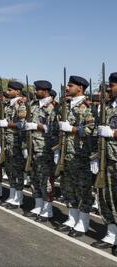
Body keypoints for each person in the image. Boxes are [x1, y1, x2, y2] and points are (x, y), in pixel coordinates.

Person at [54, 75, 95, 237]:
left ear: (80, 88)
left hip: (81, 154)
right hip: (65, 153)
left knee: (83, 189)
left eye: (69, 85)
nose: (66, 88)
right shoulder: (65, 105)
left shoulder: (88, 107)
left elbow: (91, 130)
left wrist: (71, 129)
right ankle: (72, 218)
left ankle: (83, 222)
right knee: (67, 186)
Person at [90, 72, 117, 255]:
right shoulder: (107, 106)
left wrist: (114, 133)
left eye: (113, 85)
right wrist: (95, 156)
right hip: (105, 158)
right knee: (106, 198)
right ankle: (112, 233)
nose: (109, 87)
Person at [22, 80, 56, 221]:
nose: (35, 92)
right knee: (33, 177)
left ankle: (47, 209)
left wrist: (37, 126)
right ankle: (38, 205)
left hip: (44, 149)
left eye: (37, 90)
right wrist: (25, 145)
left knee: (45, 179)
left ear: (45, 91)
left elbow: (54, 129)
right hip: (31, 146)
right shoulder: (33, 105)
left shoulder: (53, 108)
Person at [0, 81, 25, 205]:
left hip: (17, 142)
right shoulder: (7, 105)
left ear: (17, 91)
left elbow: (22, 124)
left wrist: (7, 124)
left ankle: (19, 197)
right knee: (9, 169)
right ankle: (12, 194)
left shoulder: (21, 105)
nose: (7, 92)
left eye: (10, 90)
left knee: (17, 170)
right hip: (6, 141)